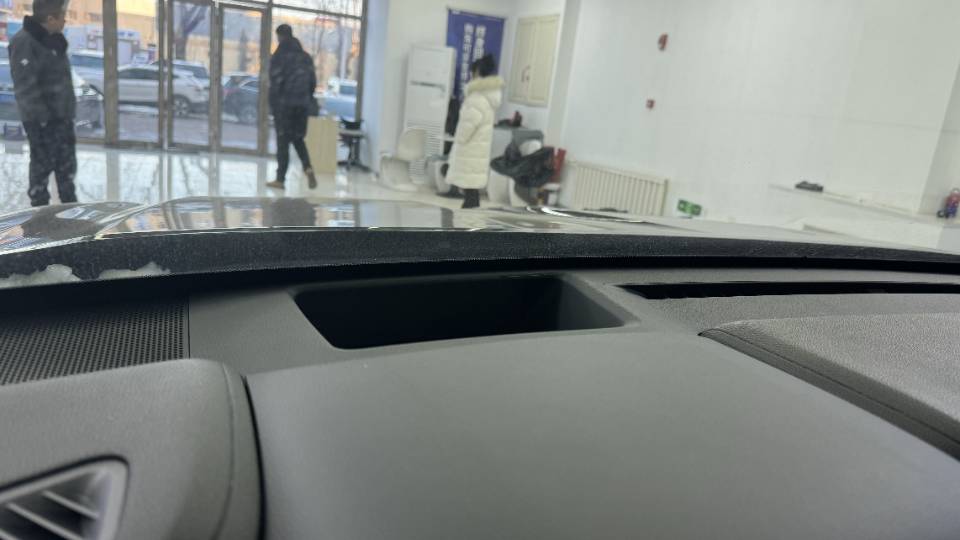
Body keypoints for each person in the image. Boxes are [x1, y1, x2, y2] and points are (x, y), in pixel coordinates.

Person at [9, 0, 77, 207]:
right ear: (50, 18)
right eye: (62, 16)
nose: (65, 20)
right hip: (42, 121)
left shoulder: (54, 40)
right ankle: (40, 214)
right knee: (41, 167)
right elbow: (26, 87)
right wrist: (42, 120)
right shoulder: (24, 42)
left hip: (61, 118)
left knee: (66, 168)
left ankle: (69, 209)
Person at [446, 54, 504, 209]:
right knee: (472, 192)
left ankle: (468, 220)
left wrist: (459, 139)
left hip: (469, 148)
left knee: (469, 193)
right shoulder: (488, 96)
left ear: (477, 72)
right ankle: (472, 217)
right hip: (479, 148)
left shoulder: (477, 97)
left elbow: (468, 124)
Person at [267, 24, 318, 191]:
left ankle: (280, 179)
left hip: (284, 106)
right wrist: (306, 100)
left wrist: (273, 104)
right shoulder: (305, 57)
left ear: (280, 36)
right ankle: (308, 167)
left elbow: (275, 83)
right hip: (302, 105)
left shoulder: (279, 56)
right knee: (298, 139)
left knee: (283, 141)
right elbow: (313, 83)